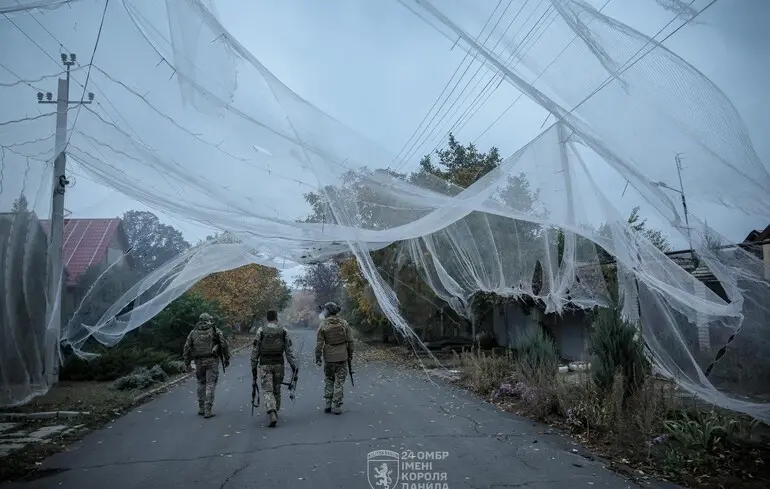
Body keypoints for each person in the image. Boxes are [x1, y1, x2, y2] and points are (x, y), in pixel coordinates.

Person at [251, 309, 298, 428]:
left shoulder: (261, 331)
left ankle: (271, 411)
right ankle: (275, 409)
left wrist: (253, 367)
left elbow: (255, 351)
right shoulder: (283, 331)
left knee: (267, 390)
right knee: (277, 389)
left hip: (265, 365)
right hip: (279, 365)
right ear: (276, 318)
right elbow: (289, 351)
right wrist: (294, 365)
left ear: (267, 318)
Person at [183, 312, 230, 418]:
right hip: (211, 361)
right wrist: (227, 358)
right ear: (209, 320)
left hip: (199, 362)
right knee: (210, 384)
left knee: (200, 383)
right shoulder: (215, 331)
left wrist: (187, 363)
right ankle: (208, 409)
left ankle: (201, 408)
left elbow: (186, 348)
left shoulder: (193, 332)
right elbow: (224, 345)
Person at [315, 302, 354, 415]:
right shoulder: (344, 323)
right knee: (339, 382)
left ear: (327, 311)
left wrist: (318, 357)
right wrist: (350, 354)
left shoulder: (323, 325)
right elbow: (351, 341)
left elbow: (319, 344)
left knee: (329, 379)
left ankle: (328, 403)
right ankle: (336, 405)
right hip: (342, 357)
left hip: (329, 358)